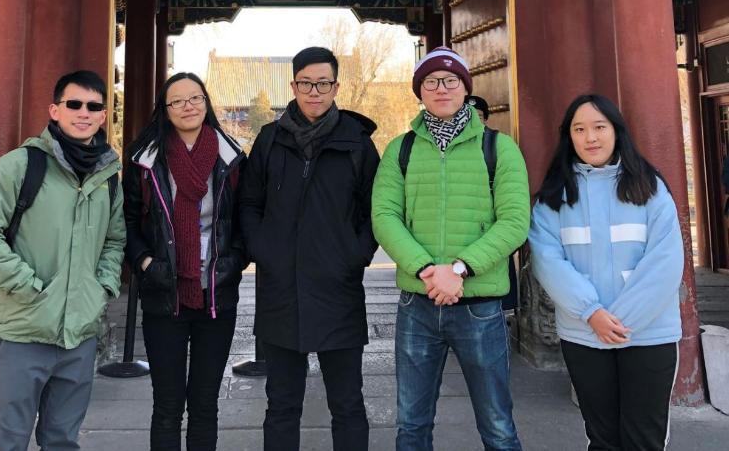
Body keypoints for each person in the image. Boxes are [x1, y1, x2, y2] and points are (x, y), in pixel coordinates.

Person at [371, 46, 530, 451]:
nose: (441, 88)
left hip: (479, 305)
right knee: (411, 424)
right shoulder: (400, 149)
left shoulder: (499, 148)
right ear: (419, 91)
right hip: (417, 303)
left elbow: (514, 222)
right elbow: (384, 216)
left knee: (498, 426)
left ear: (465, 87)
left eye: (451, 80)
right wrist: (427, 269)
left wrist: (458, 269)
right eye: (431, 81)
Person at [0, 70, 124, 451]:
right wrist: (28, 286)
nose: (83, 113)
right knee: (6, 441)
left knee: (63, 441)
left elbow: (115, 240)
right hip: (24, 329)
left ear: (103, 116)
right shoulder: (20, 165)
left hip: (79, 335)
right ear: (55, 110)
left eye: (94, 106)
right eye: (74, 104)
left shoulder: (109, 176)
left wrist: (101, 287)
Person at [239, 46, 380, 451]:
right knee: (281, 405)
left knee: (347, 403)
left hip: (338, 287)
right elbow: (249, 202)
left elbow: (376, 209)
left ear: (336, 87)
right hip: (281, 290)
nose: (314, 92)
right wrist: (263, 249)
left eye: (323, 83)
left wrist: (355, 255)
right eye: (306, 83)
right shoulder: (270, 139)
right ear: (293, 86)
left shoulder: (357, 143)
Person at [528, 94, 684, 451]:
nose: (590, 138)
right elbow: (548, 261)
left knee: (644, 439)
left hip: (649, 335)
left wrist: (620, 322)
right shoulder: (554, 196)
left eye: (599, 127)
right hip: (585, 335)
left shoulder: (650, 188)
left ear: (616, 131)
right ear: (568, 136)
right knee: (602, 439)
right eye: (579, 129)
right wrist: (592, 313)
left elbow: (665, 262)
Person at [123, 72, 247, 451]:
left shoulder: (232, 158)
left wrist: (233, 263)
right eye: (177, 101)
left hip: (216, 296)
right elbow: (127, 221)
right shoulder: (145, 160)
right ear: (165, 110)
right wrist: (146, 263)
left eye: (195, 98)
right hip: (165, 295)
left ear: (206, 103)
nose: (187, 106)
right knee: (168, 405)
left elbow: (246, 220)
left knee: (205, 405)